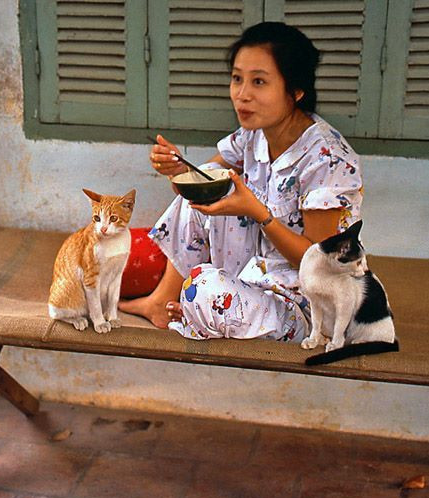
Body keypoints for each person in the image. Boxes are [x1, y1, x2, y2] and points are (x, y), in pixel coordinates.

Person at [118, 22, 363, 342]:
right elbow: (203, 178)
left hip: (304, 305)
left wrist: (260, 213)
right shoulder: (254, 133)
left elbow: (319, 264)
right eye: (237, 79)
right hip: (255, 272)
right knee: (201, 191)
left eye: (259, 81)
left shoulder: (327, 160)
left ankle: (196, 305)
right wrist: (178, 172)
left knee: (206, 291)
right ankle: (163, 303)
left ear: (296, 90)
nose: (242, 94)